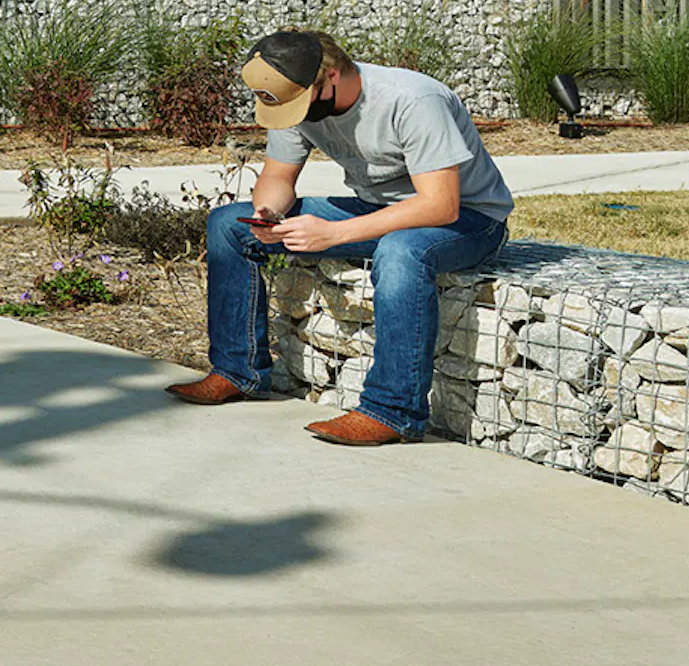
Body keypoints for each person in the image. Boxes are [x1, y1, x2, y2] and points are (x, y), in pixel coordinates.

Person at [170, 28, 516, 445]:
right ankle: (236, 372)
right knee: (229, 223)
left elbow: (440, 205)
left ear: (330, 76)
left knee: (402, 250)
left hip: (469, 219)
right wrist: (269, 213)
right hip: (378, 210)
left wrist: (333, 234)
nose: (294, 115)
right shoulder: (292, 99)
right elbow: (278, 176)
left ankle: (393, 413)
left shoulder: (412, 100)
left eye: (301, 103)